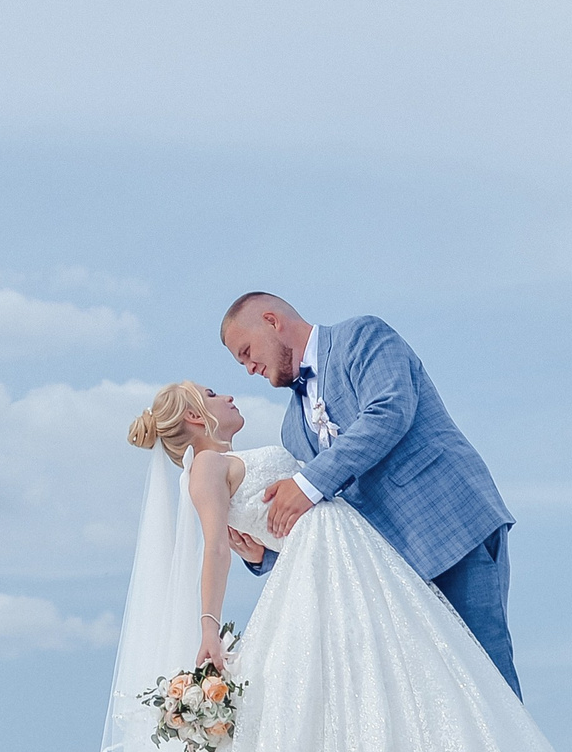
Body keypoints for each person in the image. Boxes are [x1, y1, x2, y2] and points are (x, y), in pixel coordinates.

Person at [12, 378, 572, 752]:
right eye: (216, 392)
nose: (230, 395)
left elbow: (249, 543)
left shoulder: (224, 461)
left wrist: (254, 541)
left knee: (376, 689)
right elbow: (214, 549)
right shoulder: (205, 467)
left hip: (340, 560)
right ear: (197, 415)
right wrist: (207, 629)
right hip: (321, 570)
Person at [220, 293, 523, 696]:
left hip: (452, 527)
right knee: (443, 706)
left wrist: (309, 484)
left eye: (246, 352)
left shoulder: (362, 336)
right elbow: (324, 517)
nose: (249, 368)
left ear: (272, 321)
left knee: (489, 684)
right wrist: (265, 554)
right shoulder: (292, 428)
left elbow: (390, 410)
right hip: (395, 576)